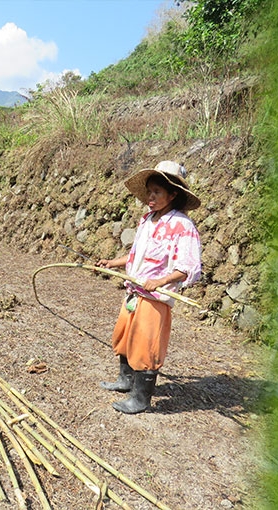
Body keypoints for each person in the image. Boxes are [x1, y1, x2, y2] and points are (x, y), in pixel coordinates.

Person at [96, 160, 202, 414]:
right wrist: (114, 262)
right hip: (134, 291)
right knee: (124, 337)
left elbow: (188, 267)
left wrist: (161, 281)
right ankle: (126, 380)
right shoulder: (148, 220)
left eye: (157, 193)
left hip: (154, 297)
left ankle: (141, 399)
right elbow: (136, 255)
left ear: (173, 194)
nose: (150, 197)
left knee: (146, 346)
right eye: (149, 192)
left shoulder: (182, 226)